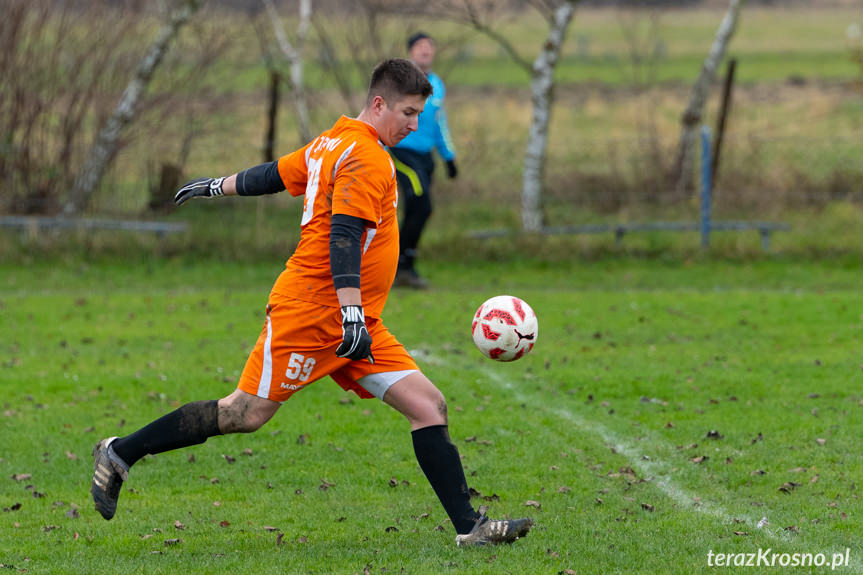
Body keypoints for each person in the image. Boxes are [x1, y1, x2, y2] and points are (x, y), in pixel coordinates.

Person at [90, 58, 531, 548]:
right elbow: (343, 236)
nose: (414, 123)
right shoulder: (366, 157)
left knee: (428, 405)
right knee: (244, 413)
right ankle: (119, 453)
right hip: (314, 314)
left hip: (354, 319)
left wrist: (217, 185)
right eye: (407, 112)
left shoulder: (333, 141)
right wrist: (348, 312)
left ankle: (470, 528)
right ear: (378, 103)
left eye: (419, 114)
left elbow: (274, 174)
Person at [390, 32, 458, 289]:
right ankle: (399, 266)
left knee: (417, 210)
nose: (426, 51)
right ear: (410, 52)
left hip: (426, 156)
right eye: (420, 47)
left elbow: (440, 123)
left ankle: (403, 267)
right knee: (423, 203)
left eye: (430, 47)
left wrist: (448, 157)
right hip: (401, 152)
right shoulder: (399, 82)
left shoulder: (437, 85)